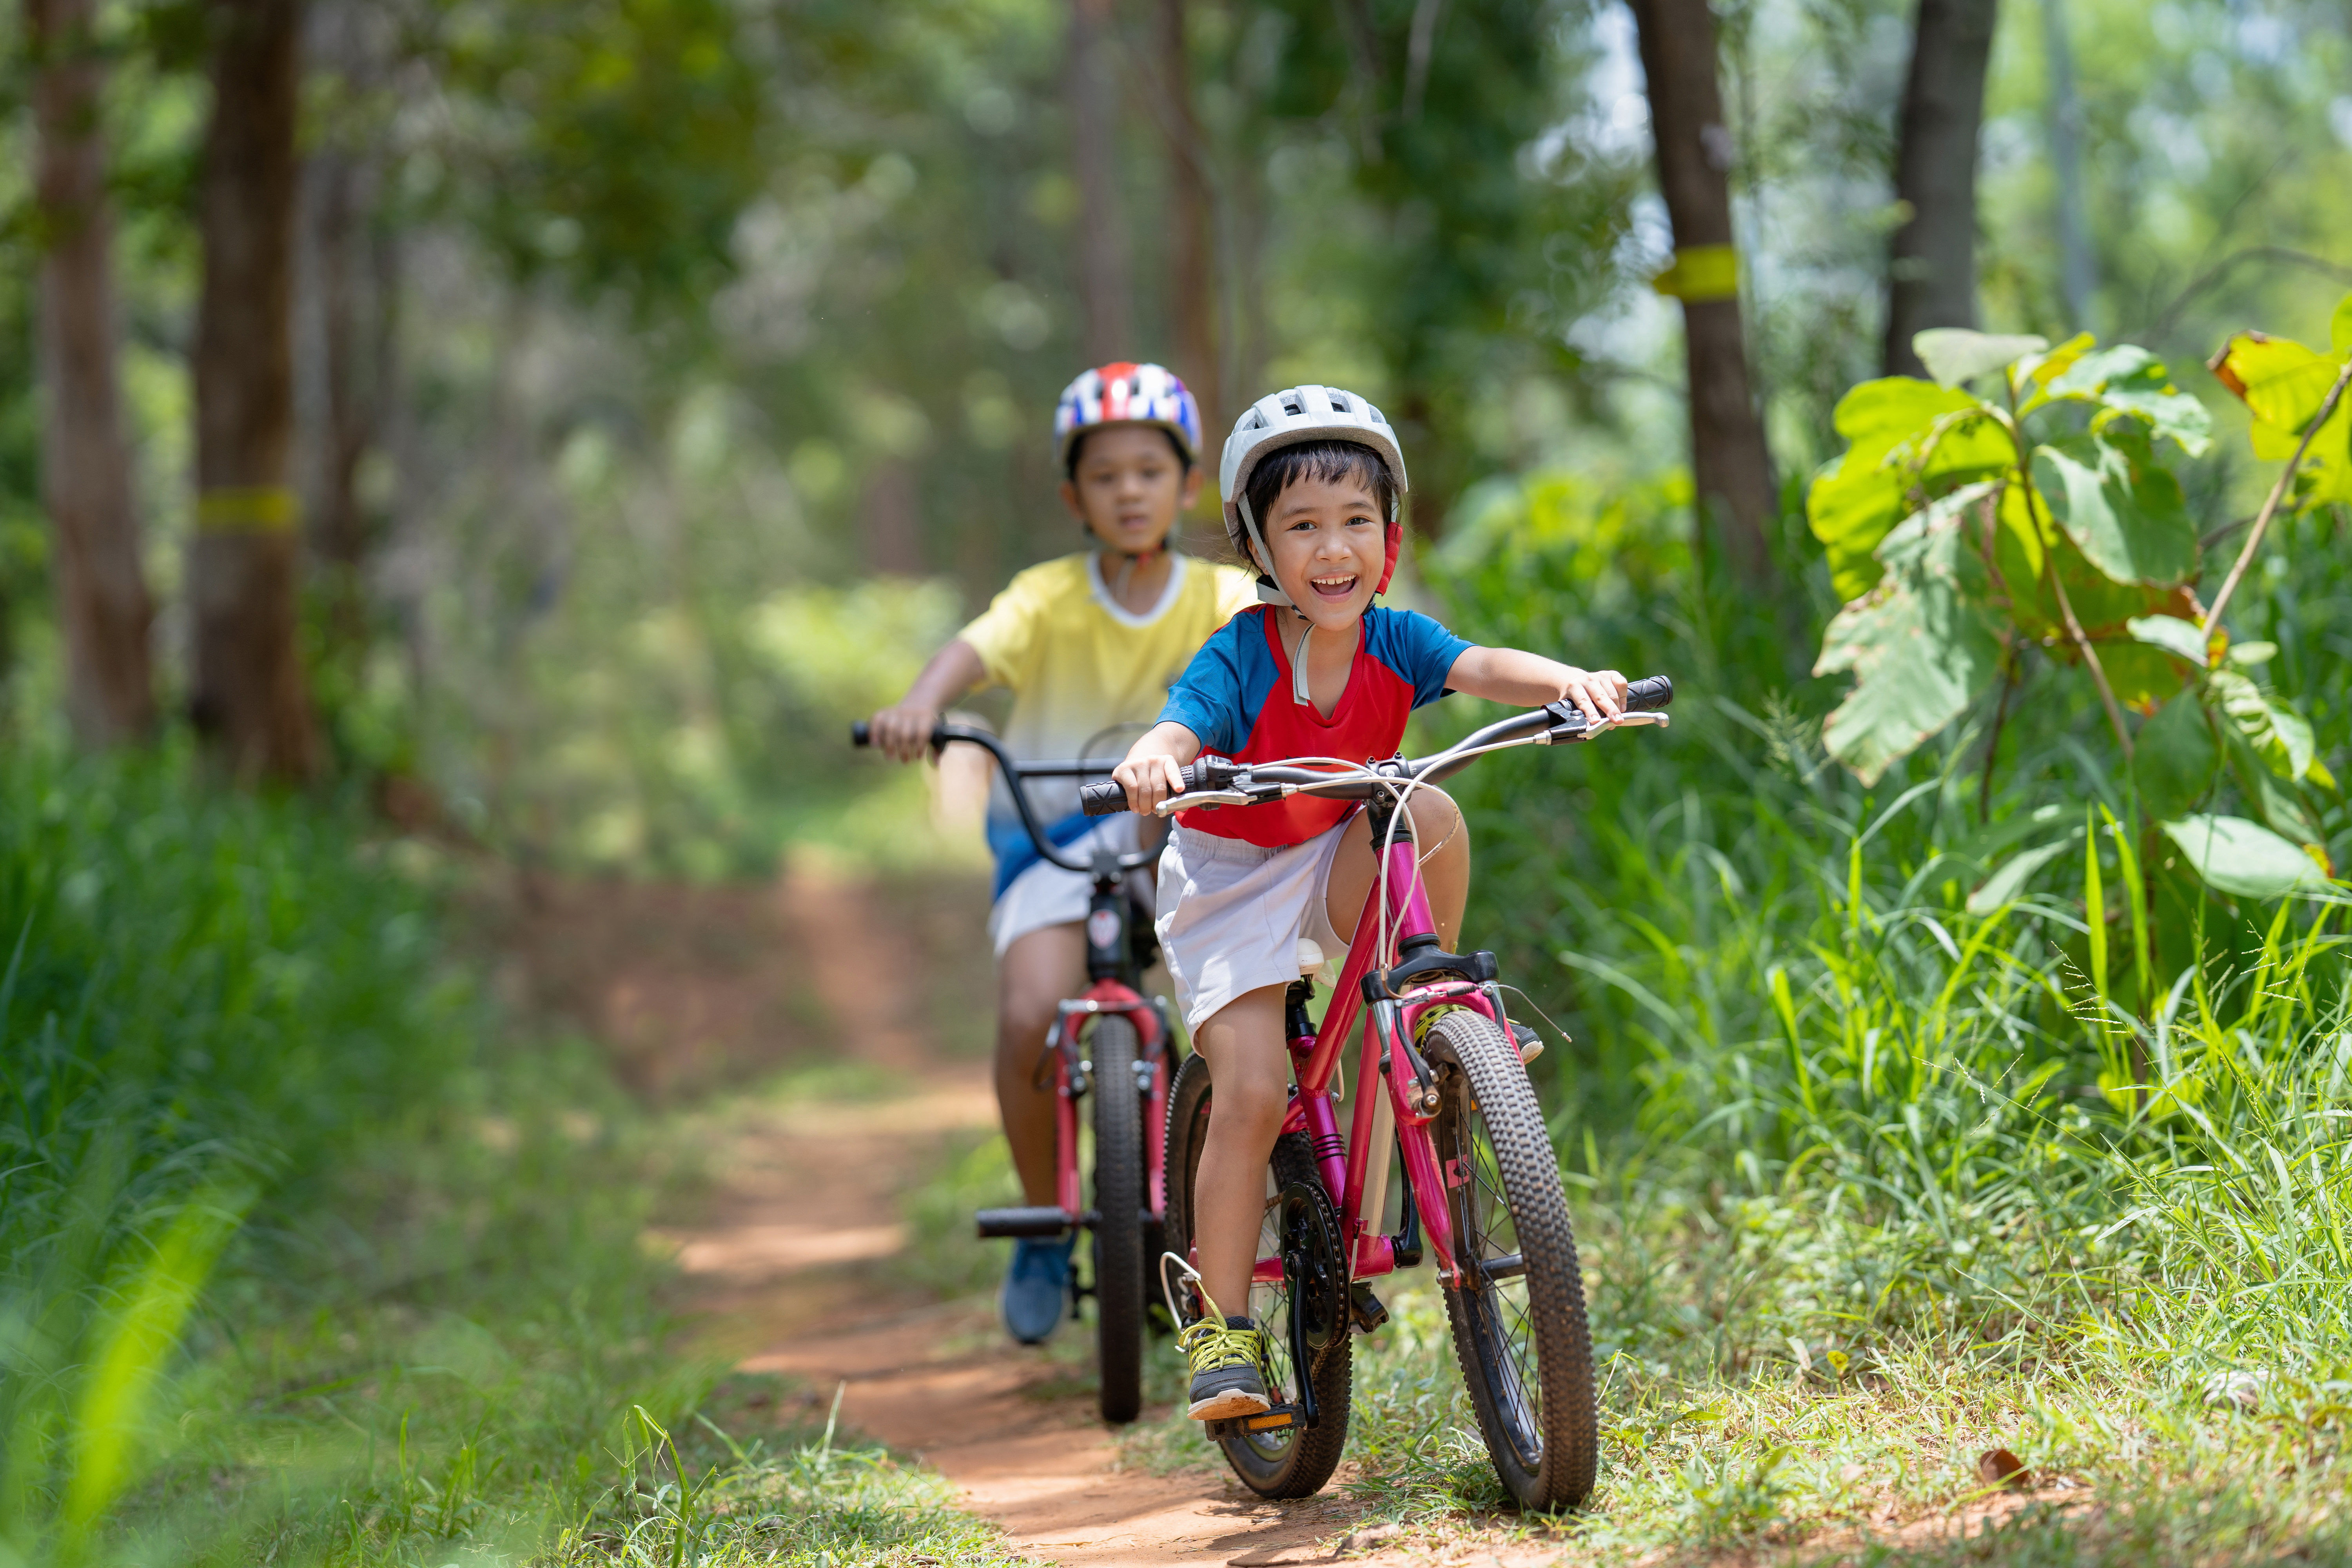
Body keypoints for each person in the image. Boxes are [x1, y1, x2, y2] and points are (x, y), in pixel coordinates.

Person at [1109, 384, 1630, 1421]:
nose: (1333, 547)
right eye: (1302, 526)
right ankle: (1222, 1328)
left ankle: (1432, 1014)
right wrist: (1155, 758)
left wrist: (1569, 681)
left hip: (1337, 850)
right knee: (1253, 1094)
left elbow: (1478, 665)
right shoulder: (1241, 656)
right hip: (1229, 875)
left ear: (1388, 535)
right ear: (1260, 547)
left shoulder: (1397, 640)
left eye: (1356, 521)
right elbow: (1181, 726)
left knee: (1420, 806)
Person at [867, 362, 1256, 1345]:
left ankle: (1224, 1221)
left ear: (1184, 485)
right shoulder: (1045, 596)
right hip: (1054, 833)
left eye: (1149, 471)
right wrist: (923, 702)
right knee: (1030, 1009)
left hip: (1190, 833)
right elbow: (971, 650)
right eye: (1106, 474)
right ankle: (1046, 1222)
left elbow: (1281, 653)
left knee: (1234, 1013)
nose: (1129, 490)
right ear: (1072, 495)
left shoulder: (1223, 593)